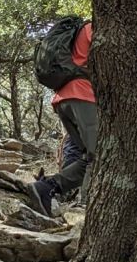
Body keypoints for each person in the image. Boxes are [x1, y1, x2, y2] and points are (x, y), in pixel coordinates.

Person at [32, 20, 96, 215]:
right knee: (99, 154)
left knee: (88, 156)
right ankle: (88, 205)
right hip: (82, 95)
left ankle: (46, 187)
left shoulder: (78, 32)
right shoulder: (93, 28)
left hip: (63, 98)